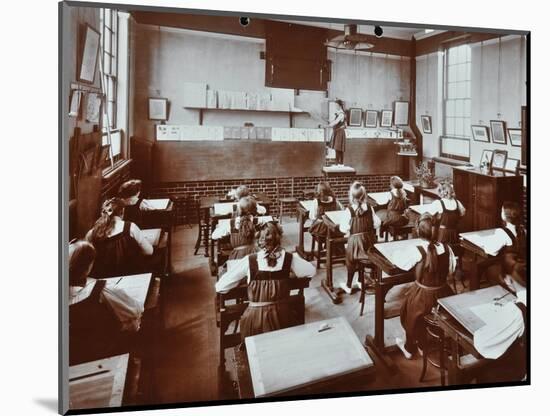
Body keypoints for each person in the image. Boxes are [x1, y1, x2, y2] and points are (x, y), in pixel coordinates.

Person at [215, 222, 316, 339]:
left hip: (255, 322)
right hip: (283, 319)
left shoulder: (250, 260)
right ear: (279, 239)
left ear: (258, 241)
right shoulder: (289, 258)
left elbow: (220, 287)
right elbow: (311, 271)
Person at [69, 240, 143, 364]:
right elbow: (135, 310)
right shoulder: (102, 289)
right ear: (88, 266)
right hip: (108, 350)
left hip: (74, 356)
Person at [396, 213, 456, 359]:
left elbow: (401, 263)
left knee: (407, 309)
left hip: (423, 296)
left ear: (418, 230)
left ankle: (410, 348)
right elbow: (451, 270)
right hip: (444, 295)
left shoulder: (416, 250)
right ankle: (426, 344)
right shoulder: (447, 248)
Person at [86, 197, 155, 278]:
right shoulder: (130, 227)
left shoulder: (91, 233)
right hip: (131, 274)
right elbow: (149, 251)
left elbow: (88, 261)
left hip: (104, 277)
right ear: (122, 211)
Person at [337, 181, 381, 294]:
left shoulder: (349, 210)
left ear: (351, 196)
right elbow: (377, 223)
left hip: (355, 244)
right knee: (361, 254)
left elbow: (343, 229)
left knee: (350, 259)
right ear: (364, 196)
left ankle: (348, 285)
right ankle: (361, 280)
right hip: (369, 243)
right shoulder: (370, 209)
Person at [487, 201, 527, 292]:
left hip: (510, 274)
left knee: (489, 269)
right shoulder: (523, 230)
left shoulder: (502, 233)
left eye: (501, 211)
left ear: (504, 216)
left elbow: (491, 250)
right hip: (522, 269)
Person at [211, 196, 261, 260]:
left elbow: (214, 236)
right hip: (254, 255)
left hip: (238, 257)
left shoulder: (232, 223)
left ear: (239, 209)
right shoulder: (257, 221)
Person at [430, 181, 466, 245]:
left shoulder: (438, 203)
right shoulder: (457, 202)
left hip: (443, 233)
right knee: (455, 250)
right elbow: (462, 213)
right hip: (455, 233)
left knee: (443, 251)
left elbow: (428, 214)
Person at [324, 99, 347, 165]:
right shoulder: (339, 113)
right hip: (337, 132)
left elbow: (336, 122)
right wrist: (329, 122)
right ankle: (339, 163)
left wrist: (327, 126)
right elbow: (335, 122)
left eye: (336, 105)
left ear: (340, 106)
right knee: (337, 148)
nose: (335, 107)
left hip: (340, 132)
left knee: (338, 148)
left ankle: (339, 163)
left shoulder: (341, 114)